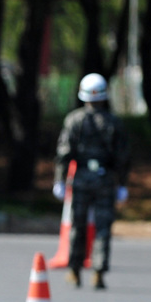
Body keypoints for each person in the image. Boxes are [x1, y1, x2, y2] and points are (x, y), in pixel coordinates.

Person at [53, 73, 131, 290]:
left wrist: (59, 180)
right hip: (105, 179)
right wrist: (122, 184)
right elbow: (122, 157)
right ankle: (98, 271)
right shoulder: (114, 122)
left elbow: (63, 153)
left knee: (78, 225)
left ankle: (74, 269)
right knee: (103, 227)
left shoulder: (74, 120)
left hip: (81, 179)